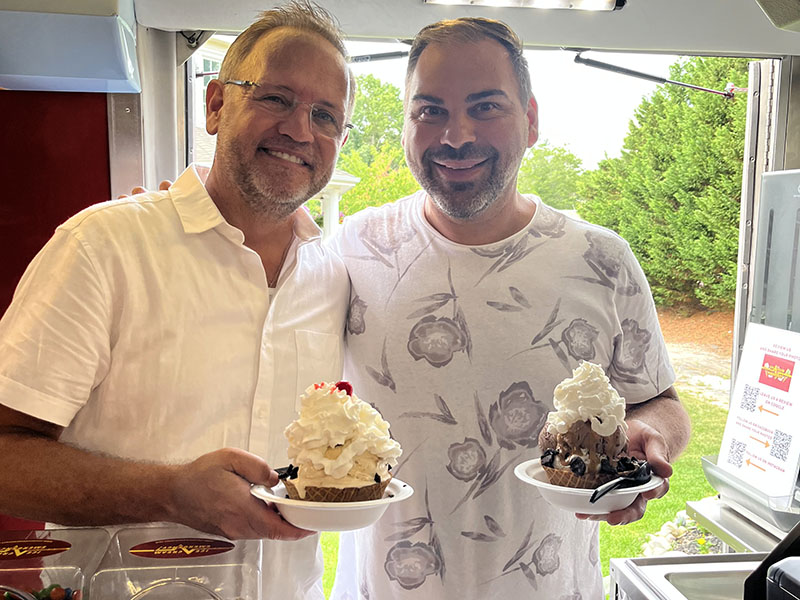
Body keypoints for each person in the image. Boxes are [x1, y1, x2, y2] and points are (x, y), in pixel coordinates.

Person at [0, 2, 355, 598]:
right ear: (215, 105)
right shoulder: (104, 246)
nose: (300, 129)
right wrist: (167, 491)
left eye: (326, 115)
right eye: (275, 98)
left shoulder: (338, 277)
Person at [328, 17, 691, 599]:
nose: (455, 135)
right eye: (430, 110)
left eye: (486, 106)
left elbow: (660, 400)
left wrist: (651, 436)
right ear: (405, 124)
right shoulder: (352, 249)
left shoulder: (603, 260)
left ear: (531, 120)